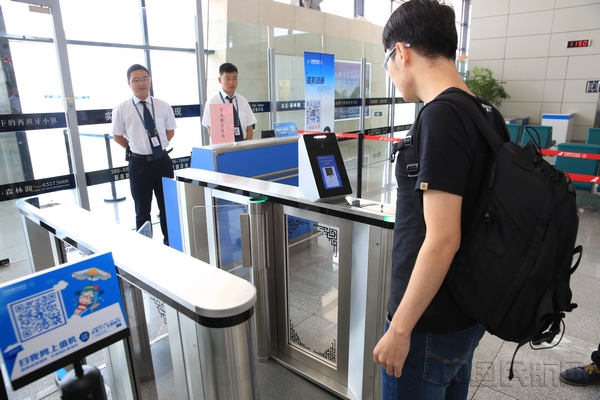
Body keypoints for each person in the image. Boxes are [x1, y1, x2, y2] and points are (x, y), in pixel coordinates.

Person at [372, 0, 504, 398]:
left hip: (428, 322)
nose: (391, 73)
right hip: (466, 311)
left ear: (401, 52)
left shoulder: (440, 115)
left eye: (387, 62)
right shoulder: (486, 113)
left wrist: (399, 329)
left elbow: (443, 238)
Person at [111, 64, 176, 245]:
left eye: (144, 79)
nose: (141, 83)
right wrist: (134, 147)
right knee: (142, 210)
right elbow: (117, 136)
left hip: (162, 161)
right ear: (129, 83)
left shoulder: (163, 106)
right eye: (136, 80)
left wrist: (158, 147)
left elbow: (170, 132)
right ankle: (144, 247)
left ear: (150, 80)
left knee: (167, 206)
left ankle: (170, 243)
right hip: (139, 164)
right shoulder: (121, 108)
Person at [202, 63, 256, 142]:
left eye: (234, 79)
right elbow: (210, 129)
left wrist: (247, 145)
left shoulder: (243, 101)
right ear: (220, 80)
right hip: (223, 146)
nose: (231, 82)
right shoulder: (212, 102)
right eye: (227, 79)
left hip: (243, 144)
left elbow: (249, 126)